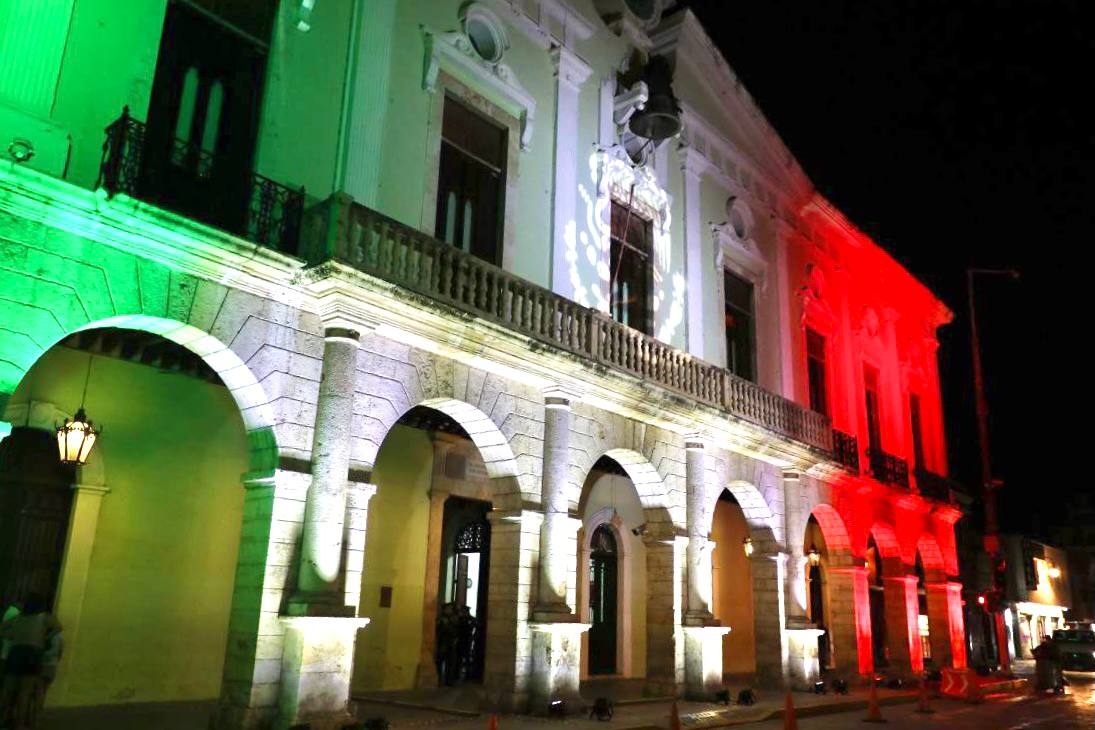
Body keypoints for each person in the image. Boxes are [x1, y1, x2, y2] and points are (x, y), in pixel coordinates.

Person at [0, 594, 60, 730]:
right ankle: (20, 724)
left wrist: (13, 636)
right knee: (25, 692)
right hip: (33, 653)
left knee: (8, 689)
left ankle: (2, 720)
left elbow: (2, 630)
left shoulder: (18, 618)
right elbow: (58, 627)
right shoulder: (44, 617)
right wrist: (45, 638)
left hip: (16, 652)